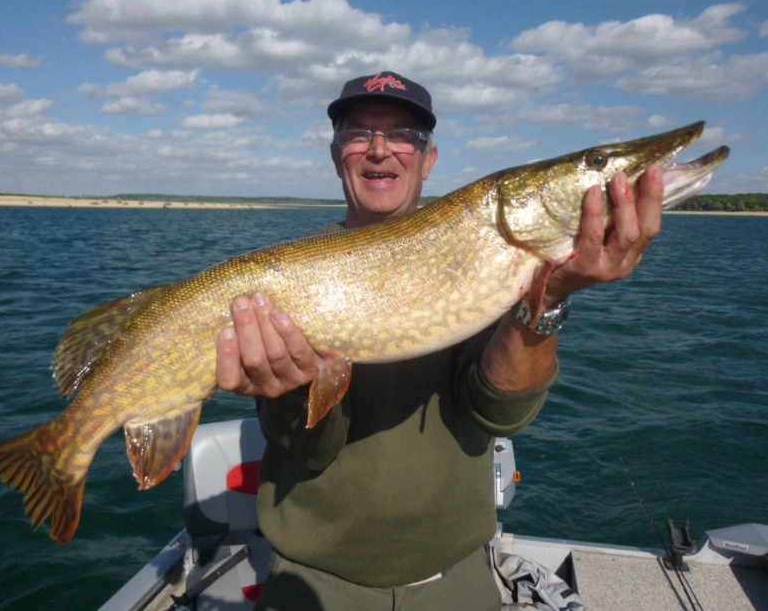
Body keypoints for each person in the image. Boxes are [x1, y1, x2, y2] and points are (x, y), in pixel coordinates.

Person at [215, 71, 664, 610]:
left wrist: (546, 299)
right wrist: (288, 385)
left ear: (428, 160)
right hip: (313, 584)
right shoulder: (289, 281)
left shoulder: (485, 263)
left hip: (457, 581)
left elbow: (500, 414)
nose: (380, 150)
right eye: (359, 133)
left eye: (402, 134)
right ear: (338, 156)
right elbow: (311, 448)